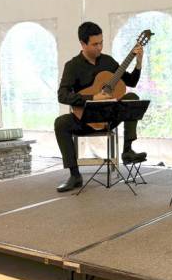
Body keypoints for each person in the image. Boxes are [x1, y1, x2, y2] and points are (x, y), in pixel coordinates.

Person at [54, 21, 147, 192]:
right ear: (82, 44)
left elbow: (131, 82)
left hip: (109, 117)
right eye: (95, 44)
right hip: (85, 119)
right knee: (60, 123)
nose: (99, 47)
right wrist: (91, 97)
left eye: (101, 42)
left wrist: (139, 62)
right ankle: (75, 175)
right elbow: (62, 95)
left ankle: (127, 150)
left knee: (132, 98)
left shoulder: (108, 61)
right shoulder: (73, 66)